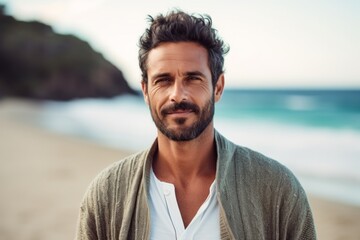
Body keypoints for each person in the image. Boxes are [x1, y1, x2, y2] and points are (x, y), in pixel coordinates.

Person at [75, 9, 317, 240]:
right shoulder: (106, 195)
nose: (178, 95)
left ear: (218, 87)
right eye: (163, 80)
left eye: (193, 78)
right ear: (146, 91)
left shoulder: (277, 190)